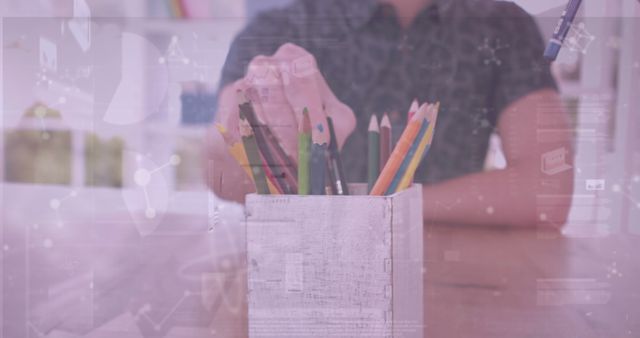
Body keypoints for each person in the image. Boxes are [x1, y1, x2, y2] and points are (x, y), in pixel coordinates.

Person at [204, 0, 574, 228]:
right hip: (303, 277)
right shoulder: (277, 29)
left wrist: (379, 212)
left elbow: (548, 189)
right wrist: (242, 129)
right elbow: (219, 173)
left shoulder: (503, 26)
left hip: (456, 286)